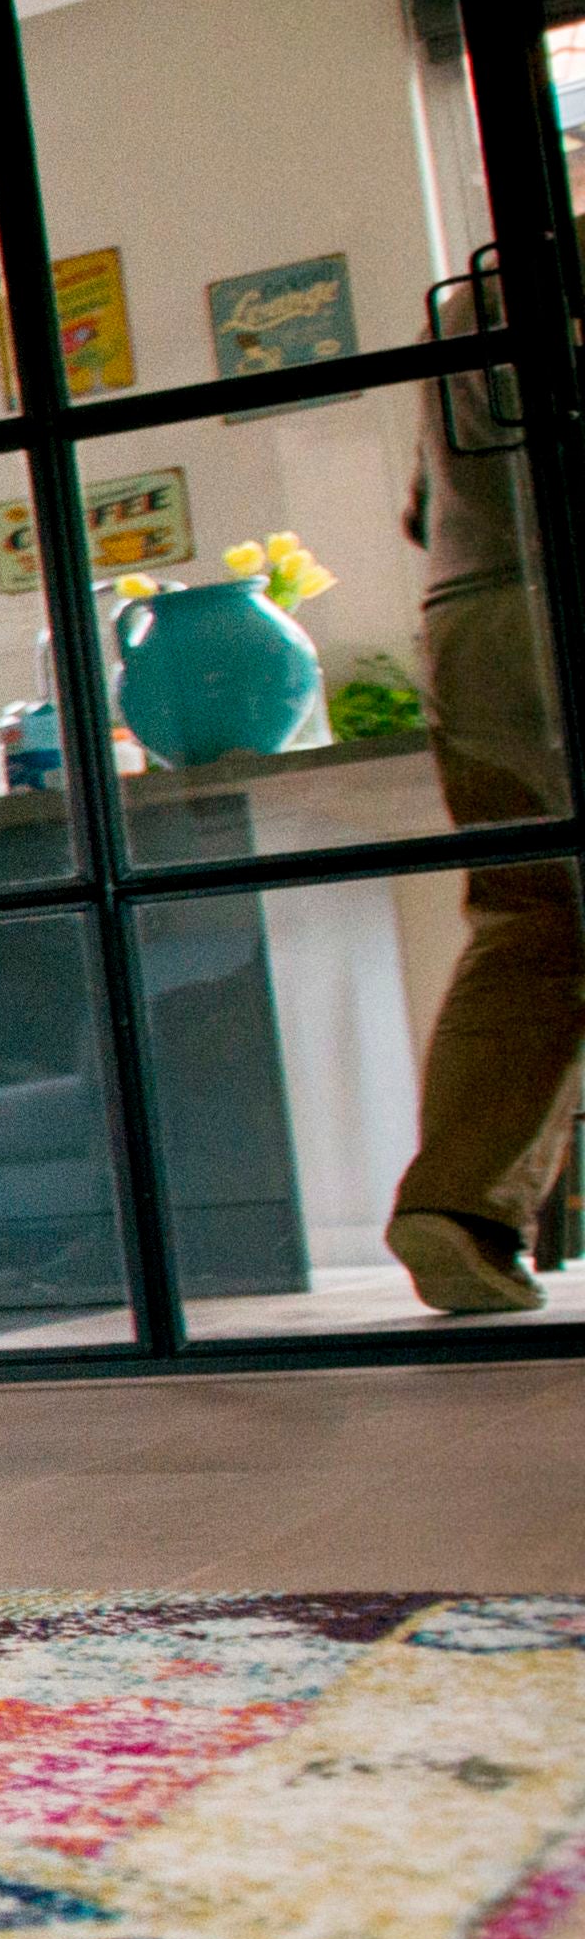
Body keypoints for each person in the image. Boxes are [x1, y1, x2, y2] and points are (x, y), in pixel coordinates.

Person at [399, 287, 571, 1313]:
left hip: (469, 621)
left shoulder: (464, 302)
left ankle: (457, 1206)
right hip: (569, 589)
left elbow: (419, 511)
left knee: (531, 921)